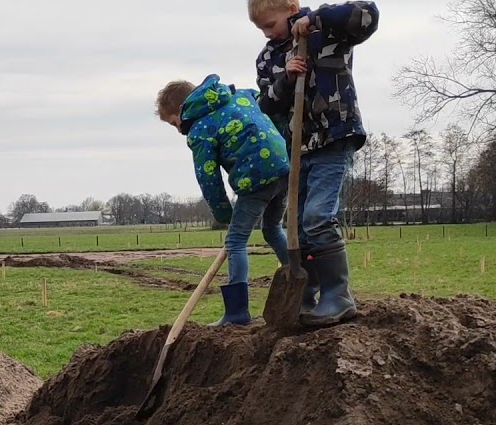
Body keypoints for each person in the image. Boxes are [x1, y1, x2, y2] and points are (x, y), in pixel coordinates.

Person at [250, 0, 379, 326]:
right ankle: (308, 294)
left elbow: (368, 14)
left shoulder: (328, 29)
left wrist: (316, 19)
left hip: (335, 135)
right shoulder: (267, 58)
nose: (267, 33)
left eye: (270, 24)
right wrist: (285, 80)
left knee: (318, 216)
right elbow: (266, 103)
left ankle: (338, 295)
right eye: (261, 29)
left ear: (290, 7)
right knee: (297, 227)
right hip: (298, 148)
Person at [155, 75, 291, 326]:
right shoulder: (241, 95)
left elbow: (208, 177)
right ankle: (302, 281)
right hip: (284, 167)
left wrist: (224, 214)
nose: (178, 130)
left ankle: (237, 313)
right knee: (272, 228)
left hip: (255, 177)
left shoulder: (199, 130)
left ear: (182, 110)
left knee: (236, 240)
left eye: (175, 124)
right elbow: (271, 109)